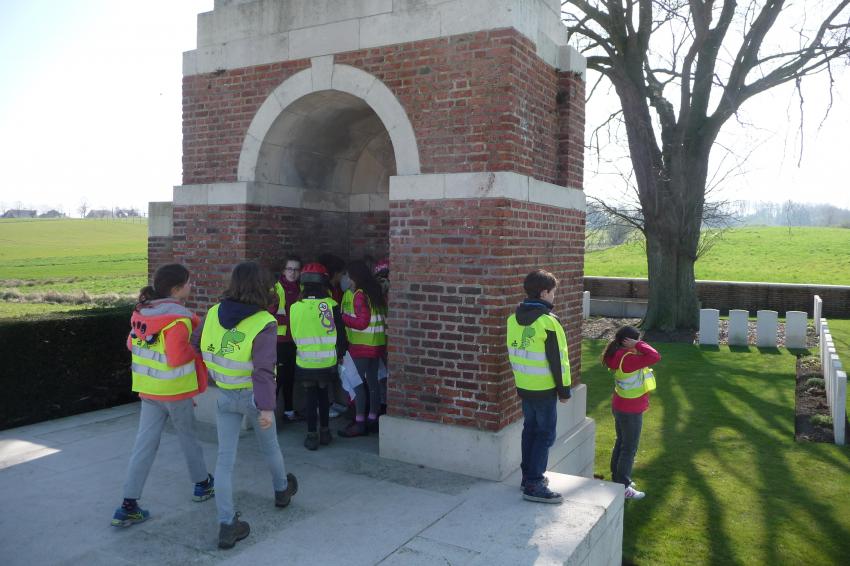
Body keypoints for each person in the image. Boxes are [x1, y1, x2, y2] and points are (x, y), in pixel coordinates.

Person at [193, 261, 298, 550]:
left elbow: (195, 343)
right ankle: (281, 491)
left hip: (224, 395)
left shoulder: (214, 312)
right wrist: (266, 408)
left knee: (224, 460)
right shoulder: (264, 321)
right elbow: (264, 370)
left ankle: (227, 525)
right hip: (254, 397)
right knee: (270, 447)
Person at [111, 263, 214, 528]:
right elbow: (179, 356)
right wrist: (198, 351)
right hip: (174, 391)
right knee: (189, 439)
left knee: (144, 445)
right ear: (177, 289)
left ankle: (128, 504)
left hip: (148, 390)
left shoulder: (143, 312)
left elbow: (130, 343)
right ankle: (202, 485)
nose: (192, 286)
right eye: (189, 283)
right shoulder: (178, 319)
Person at [507, 269, 571, 504]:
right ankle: (534, 483)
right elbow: (560, 361)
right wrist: (564, 392)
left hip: (524, 386)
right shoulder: (549, 323)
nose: (554, 296)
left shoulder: (512, 319)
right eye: (553, 292)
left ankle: (527, 477)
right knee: (545, 435)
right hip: (544, 389)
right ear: (544, 293)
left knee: (530, 431)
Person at [289, 263, 347, 450]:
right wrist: (341, 354)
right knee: (324, 397)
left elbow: (293, 334)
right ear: (324, 281)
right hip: (327, 363)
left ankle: (311, 435)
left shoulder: (295, 307)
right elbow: (341, 334)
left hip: (305, 362)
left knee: (310, 398)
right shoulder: (332, 305)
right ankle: (325, 432)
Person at [602, 326, 660, 500]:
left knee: (621, 442)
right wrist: (640, 344)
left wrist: (635, 344)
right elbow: (655, 356)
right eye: (635, 340)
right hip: (631, 410)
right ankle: (624, 486)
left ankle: (617, 477)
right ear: (628, 341)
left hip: (619, 405)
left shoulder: (618, 354)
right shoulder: (629, 358)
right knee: (629, 448)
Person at [338, 260, 387, 437]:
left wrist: (342, 317)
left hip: (361, 345)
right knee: (372, 382)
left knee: (357, 384)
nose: (345, 279)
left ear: (354, 277)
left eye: (347, 276)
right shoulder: (374, 292)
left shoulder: (359, 294)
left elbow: (362, 322)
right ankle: (373, 417)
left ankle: (359, 422)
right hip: (377, 344)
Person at [272, 254, 302, 426]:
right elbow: (268, 315)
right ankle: (268, 418)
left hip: (295, 341)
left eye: (296, 269)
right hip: (279, 341)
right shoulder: (276, 289)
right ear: (284, 270)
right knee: (279, 380)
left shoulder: (300, 288)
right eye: (290, 269)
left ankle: (289, 411)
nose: (293, 272)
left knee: (290, 378)